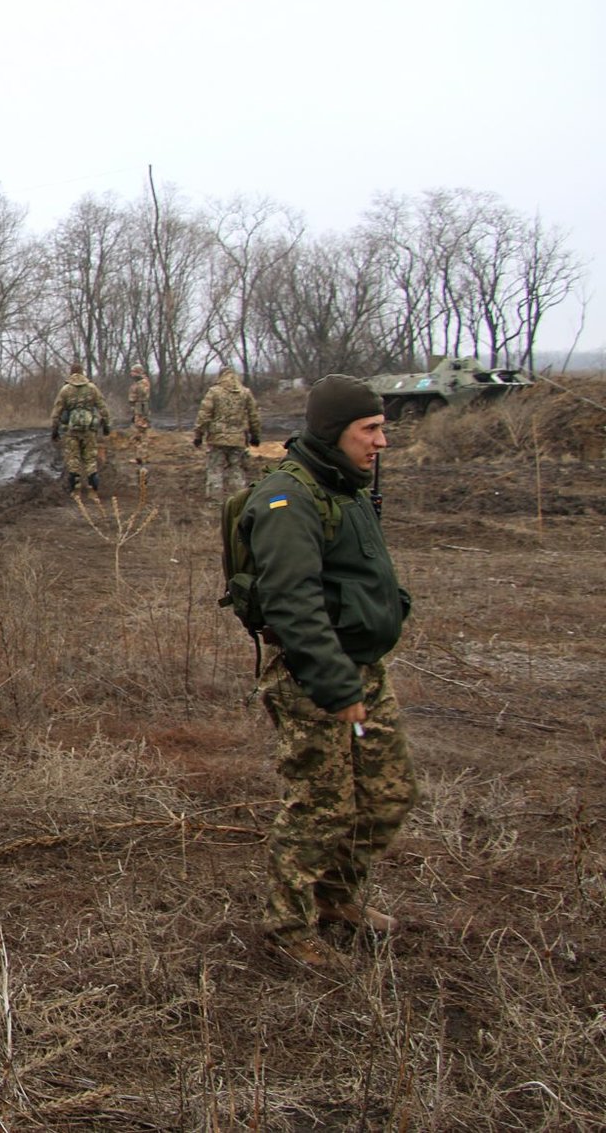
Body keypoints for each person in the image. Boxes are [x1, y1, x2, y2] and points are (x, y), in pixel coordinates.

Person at [241, 374, 415, 971]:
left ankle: (337, 899)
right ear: (334, 431)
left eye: (381, 428)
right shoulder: (288, 500)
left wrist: (392, 606)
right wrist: (337, 686)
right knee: (321, 806)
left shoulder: (345, 487)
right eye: (370, 429)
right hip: (315, 679)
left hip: (364, 669)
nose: (381, 442)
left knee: (389, 794)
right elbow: (293, 604)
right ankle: (287, 929)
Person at [193, 366, 262, 499]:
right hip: (238, 438)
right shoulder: (245, 393)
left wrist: (198, 435)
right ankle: (239, 502)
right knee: (237, 470)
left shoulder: (214, 392)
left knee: (215, 470)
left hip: (217, 438)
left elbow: (203, 416)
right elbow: (254, 416)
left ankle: (215, 502)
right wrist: (255, 435)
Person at [49, 362, 111, 500]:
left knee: (73, 459)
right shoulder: (92, 388)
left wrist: (54, 430)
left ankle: (75, 490)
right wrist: (106, 425)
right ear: (82, 372)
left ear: (71, 373)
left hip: (72, 430)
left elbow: (57, 411)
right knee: (90, 459)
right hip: (89, 430)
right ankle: (92, 491)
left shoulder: (65, 390)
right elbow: (103, 407)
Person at [125, 365, 152, 472]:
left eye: (134, 372)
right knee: (137, 435)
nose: (132, 374)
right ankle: (139, 456)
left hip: (141, 411)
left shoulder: (143, 383)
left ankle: (142, 457)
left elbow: (142, 394)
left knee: (141, 434)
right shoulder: (138, 383)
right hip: (137, 411)